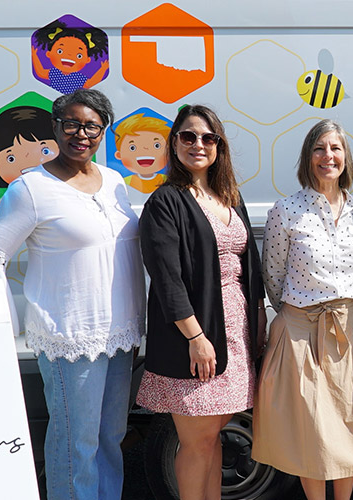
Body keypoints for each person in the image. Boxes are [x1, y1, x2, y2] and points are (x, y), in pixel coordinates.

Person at [0, 88, 145, 500]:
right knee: (75, 444)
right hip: (69, 336)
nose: (80, 134)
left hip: (120, 334)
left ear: (104, 132)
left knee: (110, 438)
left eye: (91, 126)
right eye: (71, 124)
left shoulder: (115, 183)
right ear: (56, 128)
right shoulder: (31, 188)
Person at [252, 119, 353, 500]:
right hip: (302, 333)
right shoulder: (286, 210)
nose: (328, 156)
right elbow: (273, 275)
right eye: (319, 148)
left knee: (350, 430)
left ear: (346, 158)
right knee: (311, 433)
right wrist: (297, 316)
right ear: (308, 157)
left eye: (336, 149)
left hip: (352, 330)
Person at [136, 104, 266, 500]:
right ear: (174, 142)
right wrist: (195, 336)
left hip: (236, 332)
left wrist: (258, 324)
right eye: (188, 136)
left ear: (219, 147)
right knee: (196, 441)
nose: (199, 144)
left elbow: (250, 267)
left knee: (214, 437)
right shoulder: (165, 201)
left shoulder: (229, 197)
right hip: (196, 335)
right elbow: (167, 278)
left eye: (209, 138)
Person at [0, 105, 58, 204]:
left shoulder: (73, 197)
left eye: (45, 151)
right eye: (11, 158)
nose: (28, 158)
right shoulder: (2, 208)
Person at [31, 20, 110, 94]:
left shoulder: (77, 78)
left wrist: (102, 69)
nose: (69, 56)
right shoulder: (54, 73)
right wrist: (34, 55)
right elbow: (40, 73)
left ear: (87, 60)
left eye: (79, 55)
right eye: (60, 51)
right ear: (49, 53)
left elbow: (89, 83)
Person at [113, 112, 171, 194]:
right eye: (132, 147)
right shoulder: (123, 182)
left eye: (156, 145)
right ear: (119, 155)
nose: (145, 150)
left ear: (168, 153)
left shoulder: (168, 180)